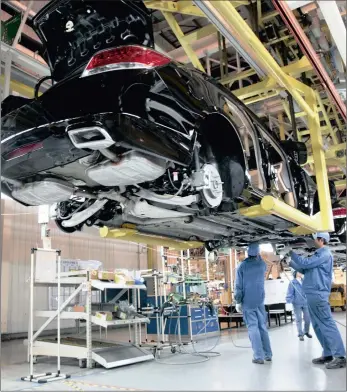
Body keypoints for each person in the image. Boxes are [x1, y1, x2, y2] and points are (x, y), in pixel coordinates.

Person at [287, 232, 346, 369]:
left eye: (315, 239)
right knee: (318, 326)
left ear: (321, 240)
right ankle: (328, 353)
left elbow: (306, 263)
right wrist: (290, 262)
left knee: (327, 324)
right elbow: (305, 268)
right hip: (312, 294)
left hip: (318, 294)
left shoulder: (324, 254)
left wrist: (292, 253)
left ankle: (340, 356)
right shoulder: (318, 254)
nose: (313, 242)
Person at [235, 243, 272, 364]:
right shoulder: (261, 264)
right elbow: (260, 260)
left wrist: (238, 300)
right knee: (262, 327)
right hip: (260, 299)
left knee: (253, 327)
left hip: (248, 300)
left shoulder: (242, 266)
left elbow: (238, 286)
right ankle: (268, 354)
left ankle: (258, 356)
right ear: (257, 252)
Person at [286, 270, 312, 341]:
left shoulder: (305, 281)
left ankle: (306, 331)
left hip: (306, 303)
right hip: (297, 304)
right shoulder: (292, 283)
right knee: (299, 319)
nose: (300, 273)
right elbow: (290, 293)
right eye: (299, 272)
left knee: (308, 319)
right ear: (295, 273)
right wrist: (290, 301)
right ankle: (300, 334)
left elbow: (309, 291)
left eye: (301, 272)